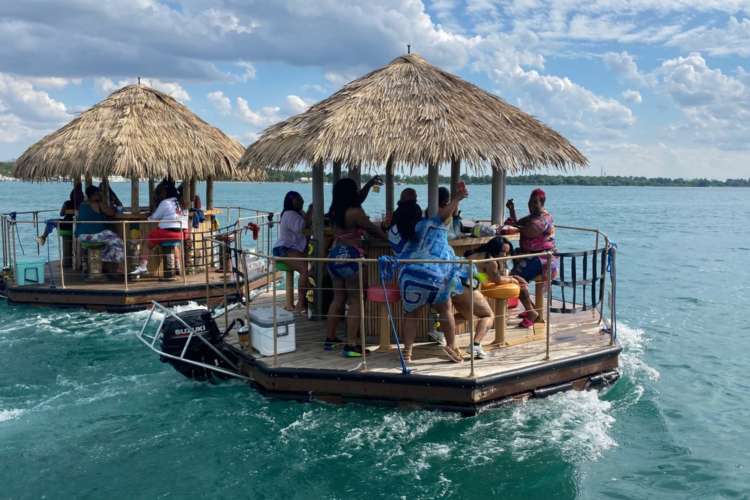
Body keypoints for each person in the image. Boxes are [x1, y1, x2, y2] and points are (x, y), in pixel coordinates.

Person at [394, 183, 469, 363]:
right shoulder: (432, 223)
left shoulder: (404, 230)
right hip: (434, 275)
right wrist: (457, 198)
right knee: (445, 310)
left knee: (411, 315)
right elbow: (444, 215)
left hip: (408, 277)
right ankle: (452, 347)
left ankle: (408, 353)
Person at [325, 178, 386, 357]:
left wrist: (368, 185)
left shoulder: (334, 210)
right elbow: (373, 230)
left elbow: (358, 198)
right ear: (352, 193)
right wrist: (389, 239)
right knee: (356, 300)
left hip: (334, 256)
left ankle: (330, 339)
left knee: (337, 299)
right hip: (351, 258)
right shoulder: (356, 212)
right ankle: (351, 345)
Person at [464, 237, 538, 343]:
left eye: (507, 253)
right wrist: (513, 279)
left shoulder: (479, 254)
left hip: (465, 283)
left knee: (464, 315)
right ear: (495, 249)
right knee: (488, 315)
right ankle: (476, 344)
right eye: (502, 252)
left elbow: (485, 275)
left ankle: (439, 330)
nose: (505, 255)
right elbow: (497, 279)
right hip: (470, 287)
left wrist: (512, 278)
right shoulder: (491, 261)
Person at [506, 188, 557, 325]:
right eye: (530, 202)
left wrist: (514, 227)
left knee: (514, 278)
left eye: (535, 202)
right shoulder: (533, 217)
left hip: (543, 259)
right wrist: (512, 210)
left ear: (542, 203)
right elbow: (519, 223)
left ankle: (532, 313)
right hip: (531, 257)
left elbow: (529, 231)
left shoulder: (543, 219)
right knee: (516, 271)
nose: (531, 205)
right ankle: (532, 309)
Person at [130, 184, 189, 276]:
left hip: (168, 233)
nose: (160, 195)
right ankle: (178, 267)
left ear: (166, 193)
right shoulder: (182, 203)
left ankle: (142, 267)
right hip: (181, 234)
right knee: (174, 244)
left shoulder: (166, 202)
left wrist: (148, 217)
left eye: (162, 193)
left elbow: (154, 217)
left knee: (146, 243)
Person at [272, 191, 312, 313]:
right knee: (305, 269)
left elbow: (307, 223)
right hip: (284, 249)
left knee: (311, 269)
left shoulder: (299, 213)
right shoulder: (290, 214)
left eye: (301, 199)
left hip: (293, 248)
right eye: (298, 199)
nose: (301, 201)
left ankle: (308, 301)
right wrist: (311, 212)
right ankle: (300, 302)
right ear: (291, 202)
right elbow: (302, 227)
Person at [75, 186, 125, 272]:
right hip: (94, 235)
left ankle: (98, 260)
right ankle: (119, 266)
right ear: (94, 195)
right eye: (98, 193)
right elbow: (111, 212)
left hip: (81, 236)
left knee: (108, 240)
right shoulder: (98, 204)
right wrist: (115, 205)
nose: (100, 195)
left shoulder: (82, 205)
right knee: (118, 242)